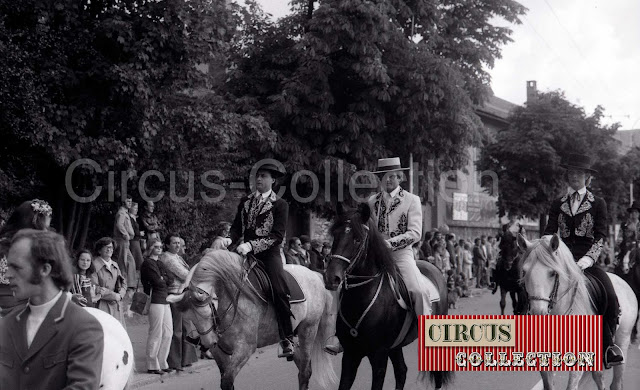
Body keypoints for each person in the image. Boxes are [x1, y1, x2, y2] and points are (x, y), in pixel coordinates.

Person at [326, 157, 429, 354]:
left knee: (418, 290)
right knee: (345, 286)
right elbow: (363, 228)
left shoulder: (412, 200)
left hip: (401, 255)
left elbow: (415, 233)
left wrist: (387, 244)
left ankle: (427, 332)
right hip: (373, 257)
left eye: (391, 176)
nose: (387, 180)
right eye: (383, 176)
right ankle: (339, 336)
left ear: (399, 176)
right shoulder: (371, 202)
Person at [543, 153, 623, 367]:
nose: (574, 176)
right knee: (536, 286)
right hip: (561, 260)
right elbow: (549, 232)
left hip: (587, 261)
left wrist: (587, 260)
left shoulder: (598, 203)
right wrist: (544, 248)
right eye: (571, 172)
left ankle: (608, 346)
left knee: (610, 296)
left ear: (587, 177)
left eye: (579, 173)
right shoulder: (558, 203)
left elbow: (600, 235)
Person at [0, 229, 104, 389]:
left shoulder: (84, 327)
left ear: (44, 269)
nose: (7, 275)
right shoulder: (7, 324)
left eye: (16, 267)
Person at [229, 162, 295, 358]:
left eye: (263, 176)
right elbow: (236, 229)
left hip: (269, 255)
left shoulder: (280, 205)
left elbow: (277, 236)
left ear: (273, 180)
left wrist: (251, 245)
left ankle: (287, 338)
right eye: (257, 176)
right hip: (245, 254)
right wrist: (227, 238)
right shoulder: (245, 202)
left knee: (279, 289)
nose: (259, 179)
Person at [0, 199, 53, 317]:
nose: (45, 232)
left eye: (47, 228)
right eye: (43, 228)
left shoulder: (37, 249)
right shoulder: (3, 247)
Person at [160, 234, 198, 369]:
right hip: (174, 294)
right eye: (174, 243)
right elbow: (185, 274)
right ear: (167, 245)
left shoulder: (176, 257)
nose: (178, 245)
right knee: (177, 329)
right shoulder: (168, 258)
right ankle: (175, 361)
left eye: (178, 243)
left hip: (181, 294)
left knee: (185, 327)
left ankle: (185, 359)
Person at [140, 237, 174, 375]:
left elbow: (170, 279)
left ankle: (162, 362)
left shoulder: (159, 262)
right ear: (150, 248)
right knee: (156, 332)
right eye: (156, 247)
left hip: (165, 299)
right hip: (155, 300)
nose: (159, 249)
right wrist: (162, 278)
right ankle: (152, 365)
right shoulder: (148, 263)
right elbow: (157, 282)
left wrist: (163, 277)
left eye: (160, 247)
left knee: (168, 332)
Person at [92, 237, 127, 324]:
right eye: (106, 247)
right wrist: (113, 295)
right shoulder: (94, 265)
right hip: (101, 305)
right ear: (99, 250)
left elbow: (123, 283)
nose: (109, 249)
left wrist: (120, 295)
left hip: (116, 306)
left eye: (111, 247)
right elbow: (94, 287)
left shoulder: (115, 264)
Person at [113, 196, 137, 292]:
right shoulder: (121, 213)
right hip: (121, 240)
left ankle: (130, 284)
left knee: (130, 261)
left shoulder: (125, 213)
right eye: (128, 201)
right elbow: (119, 224)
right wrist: (125, 234)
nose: (130, 203)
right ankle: (121, 285)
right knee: (122, 262)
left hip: (126, 241)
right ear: (123, 202)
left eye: (131, 201)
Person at [129, 202, 145, 270]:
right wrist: (139, 233)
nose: (136, 210)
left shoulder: (134, 218)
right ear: (130, 208)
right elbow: (130, 230)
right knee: (138, 259)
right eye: (135, 208)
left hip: (136, 240)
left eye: (137, 208)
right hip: (133, 240)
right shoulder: (129, 218)